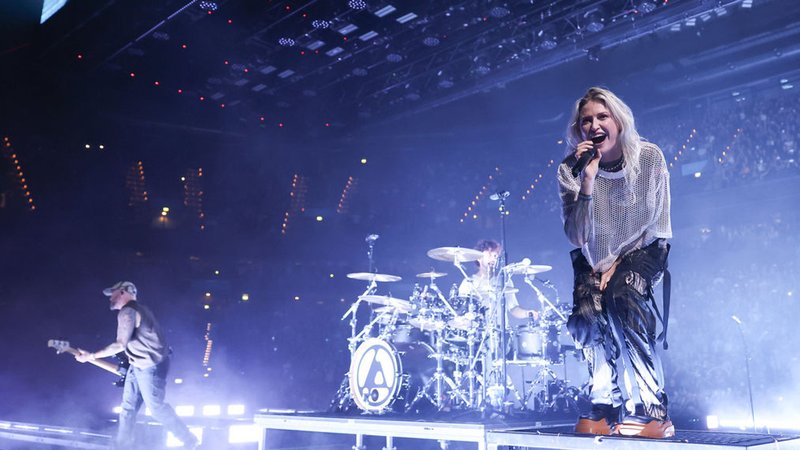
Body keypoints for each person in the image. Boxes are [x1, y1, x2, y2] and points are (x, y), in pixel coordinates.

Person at [556, 87, 673, 438]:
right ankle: (605, 405)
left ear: (618, 121)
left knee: (623, 296)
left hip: (645, 248)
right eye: (586, 120)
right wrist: (587, 181)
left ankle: (653, 409)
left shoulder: (648, 157)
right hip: (593, 256)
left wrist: (617, 263)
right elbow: (576, 236)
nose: (594, 125)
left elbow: (655, 220)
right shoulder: (571, 170)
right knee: (586, 314)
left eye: (602, 117)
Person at [75, 281, 199, 449]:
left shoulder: (128, 311)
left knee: (156, 408)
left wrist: (91, 356)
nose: (110, 298)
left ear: (123, 292)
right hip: (138, 364)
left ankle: (190, 440)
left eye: (113, 293)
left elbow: (120, 344)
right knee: (127, 409)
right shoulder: (140, 309)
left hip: (151, 366)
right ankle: (123, 446)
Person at [457, 239, 539, 321]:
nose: (493, 259)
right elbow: (462, 311)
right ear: (478, 258)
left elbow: (513, 308)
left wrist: (527, 313)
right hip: (478, 327)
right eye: (489, 255)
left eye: (495, 256)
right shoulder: (468, 283)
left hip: (501, 328)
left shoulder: (504, 281)